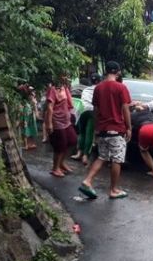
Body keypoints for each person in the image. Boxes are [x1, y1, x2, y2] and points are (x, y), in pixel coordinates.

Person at [78, 61, 132, 200]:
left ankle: (88, 181)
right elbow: (125, 109)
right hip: (116, 129)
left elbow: (96, 110)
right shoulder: (121, 88)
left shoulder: (98, 88)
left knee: (102, 156)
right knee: (117, 159)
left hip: (102, 129)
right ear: (117, 72)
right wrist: (129, 127)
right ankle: (113, 190)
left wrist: (96, 127)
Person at [46, 75, 77, 177]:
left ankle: (61, 163)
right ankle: (55, 168)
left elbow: (69, 103)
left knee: (72, 140)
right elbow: (50, 107)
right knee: (60, 145)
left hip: (66, 121)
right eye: (64, 76)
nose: (66, 77)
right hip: (57, 122)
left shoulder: (64, 88)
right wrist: (49, 124)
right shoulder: (52, 90)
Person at [71, 73, 101, 165]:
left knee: (82, 133)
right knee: (89, 134)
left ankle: (78, 153)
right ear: (99, 81)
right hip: (92, 112)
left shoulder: (86, 90)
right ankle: (85, 156)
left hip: (82, 110)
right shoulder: (100, 90)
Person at [19, 85, 39, 150]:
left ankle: (26, 145)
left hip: (26, 113)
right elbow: (34, 105)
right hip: (29, 112)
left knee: (25, 129)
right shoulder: (31, 96)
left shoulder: (26, 97)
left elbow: (33, 105)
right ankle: (29, 144)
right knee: (29, 128)